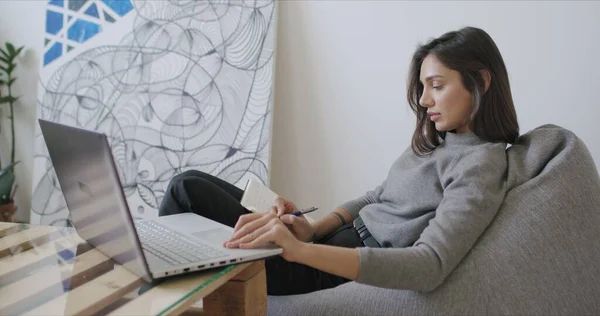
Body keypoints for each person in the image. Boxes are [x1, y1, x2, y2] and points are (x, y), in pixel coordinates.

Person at [158, 26, 519, 295]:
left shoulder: (479, 166)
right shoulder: (442, 142)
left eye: (436, 86)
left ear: (481, 82)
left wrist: (300, 251)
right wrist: (313, 228)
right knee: (189, 183)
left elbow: (430, 265)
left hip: (327, 272)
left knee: (183, 193)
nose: (424, 100)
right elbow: (378, 196)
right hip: (325, 244)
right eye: (423, 87)